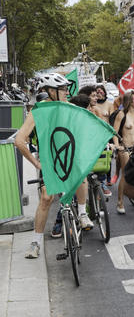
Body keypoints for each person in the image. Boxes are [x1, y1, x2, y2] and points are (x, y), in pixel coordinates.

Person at [14, 74, 94, 259]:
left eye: (67, 88)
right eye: (63, 89)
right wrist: (36, 163)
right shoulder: (38, 111)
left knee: (81, 174)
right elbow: (19, 141)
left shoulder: (71, 108)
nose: (67, 92)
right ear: (50, 91)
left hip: (69, 154)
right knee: (46, 198)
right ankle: (35, 242)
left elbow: (87, 127)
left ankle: (82, 213)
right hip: (49, 160)